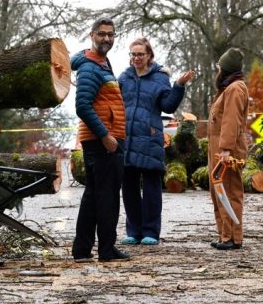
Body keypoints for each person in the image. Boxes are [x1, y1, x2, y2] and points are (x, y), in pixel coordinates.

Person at [117, 38, 195, 246]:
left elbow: (168, 106)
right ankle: (133, 231)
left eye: (140, 54)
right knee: (129, 188)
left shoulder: (160, 78)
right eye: (133, 54)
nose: (136, 58)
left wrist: (178, 85)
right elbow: (113, 101)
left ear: (149, 55)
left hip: (150, 138)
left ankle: (151, 231)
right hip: (128, 139)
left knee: (152, 188)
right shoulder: (124, 77)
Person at [71, 18, 129, 262]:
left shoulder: (103, 63)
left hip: (103, 138)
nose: (107, 38)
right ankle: (107, 249)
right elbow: (82, 106)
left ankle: (82, 250)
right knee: (107, 196)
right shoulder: (90, 67)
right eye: (102, 34)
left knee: (94, 195)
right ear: (91, 35)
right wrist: (105, 136)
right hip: (102, 140)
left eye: (111, 35)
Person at [207, 48, 248, 250]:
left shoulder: (235, 89)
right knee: (218, 191)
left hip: (227, 150)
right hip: (219, 147)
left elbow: (231, 121)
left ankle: (233, 237)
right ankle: (224, 234)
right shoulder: (227, 88)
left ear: (225, 68)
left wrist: (225, 149)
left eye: (220, 66)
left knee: (229, 191)